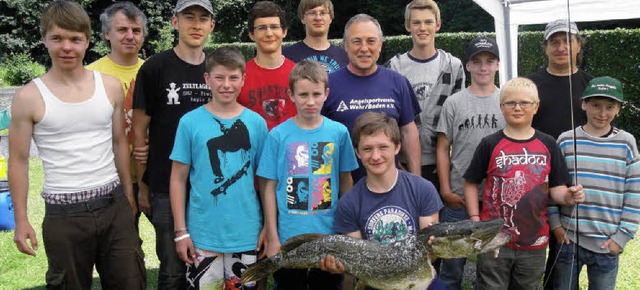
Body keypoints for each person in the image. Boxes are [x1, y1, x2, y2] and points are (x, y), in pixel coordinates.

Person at [8, 1, 145, 289]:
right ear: (45, 39)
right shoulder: (28, 97)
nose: (66, 47)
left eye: (75, 39)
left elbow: (120, 142)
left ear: (87, 40)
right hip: (64, 215)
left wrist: (128, 195)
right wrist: (21, 220)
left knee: (131, 282)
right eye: (57, 38)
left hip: (113, 205)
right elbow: (18, 161)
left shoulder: (109, 87)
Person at [463, 77, 586, 290]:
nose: (517, 108)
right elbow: (470, 182)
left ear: (536, 106)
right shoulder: (490, 143)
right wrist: (475, 219)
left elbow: (556, 189)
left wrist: (568, 196)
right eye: (510, 103)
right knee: (490, 286)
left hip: (534, 240)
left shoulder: (548, 143)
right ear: (501, 107)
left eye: (524, 103)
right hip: (493, 238)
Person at [131, 0, 215, 288]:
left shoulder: (217, 68)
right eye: (188, 17)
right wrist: (143, 185)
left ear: (211, 26)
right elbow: (139, 130)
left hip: (209, 185)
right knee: (172, 269)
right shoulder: (155, 67)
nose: (196, 24)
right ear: (174, 22)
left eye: (203, 19)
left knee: (208, 264)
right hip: (165, 184)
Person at [169, 46, 268, 289]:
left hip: (246, 232)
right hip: (203, 233)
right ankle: (219, 174)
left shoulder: (256, 123)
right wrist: (181, 231)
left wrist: (268, 226)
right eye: (219, 77)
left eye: (233, 77)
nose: (226, 84)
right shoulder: (190, 122)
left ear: (243, 79)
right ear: (207, 79)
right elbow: (178, 179)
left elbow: (266, 180)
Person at [257, 60, 359, 289]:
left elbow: (346, 182)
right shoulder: (278, 135)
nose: (310, 101)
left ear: (326, 93)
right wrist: (272, 236)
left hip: (328, 237)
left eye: (316, 94)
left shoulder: (338, 133)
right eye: (303, 95)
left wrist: (346, 230)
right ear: (291, 95)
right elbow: (269, 187)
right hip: (288, 238)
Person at [324, 111, 444, 290]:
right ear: (357, 152)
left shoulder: (423, 189)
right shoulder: (349, 202)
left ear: (397, 147)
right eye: (367, 149)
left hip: (420, 280)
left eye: (383, 147)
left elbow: (430, 252)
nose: (375, 156)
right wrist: (342, 266)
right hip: (376, 282)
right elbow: (356, 259)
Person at [552, 76, 640, 290]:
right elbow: (552, 183)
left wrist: (622, 236)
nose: (602, 113)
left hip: (606, 243)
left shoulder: (626, 143)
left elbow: (635, 192)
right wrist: (555, 223)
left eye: (610, 107)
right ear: (584, 104)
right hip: (568, 240)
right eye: (595, 106)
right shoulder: (565, 140)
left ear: (619, 108)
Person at [434, 35, 505, 290]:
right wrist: (445, 190)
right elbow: (442, 147)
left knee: (491, 268)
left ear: (497, 64)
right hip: (459, 196)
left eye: (489, 61)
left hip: (496, 198)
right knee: (452, 267)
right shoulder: (455, 102)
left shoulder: (507, 101)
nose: (483, 67)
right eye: (477, 61)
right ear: (468, 66)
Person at [528, 19, 593, 289]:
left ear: (579, 45)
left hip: (576, 178)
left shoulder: (590, 85)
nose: (561, 47)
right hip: (536, 176)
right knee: (530, 244)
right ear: (545, 48)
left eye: (568, 40)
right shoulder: (531, 84)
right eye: (554, 41)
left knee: (567, 246)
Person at [321, 14, 421, 182]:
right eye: (357, 41)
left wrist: (416, 180)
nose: (364, 48)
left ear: (380, 45)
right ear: (345, 45)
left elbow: (409, 132)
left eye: (371, 41)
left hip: (389, 186)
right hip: (343, 187)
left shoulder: (397, 82)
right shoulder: (328, 85)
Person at [386, 0, 465, 190]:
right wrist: (394, 160)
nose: (422, 28)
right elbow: (387, 120)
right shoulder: (394, 68)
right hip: (402, 164)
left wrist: (448, 160)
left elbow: (459, 119)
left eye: (428, 22)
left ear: (438, 25)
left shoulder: (453, 66)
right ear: (407, 26)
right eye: (416, 22)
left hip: (440, 164)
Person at [86, 1, 149, 228]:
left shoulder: (153, 71)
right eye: (122, 30)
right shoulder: (90, 76)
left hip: (149, 174)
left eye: (136, 30)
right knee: (122, 249)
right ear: (106, 34)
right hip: (110, 178)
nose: (130, 36)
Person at [238, 1, 296, 131]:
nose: (269, 34)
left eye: (274, 27)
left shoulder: (298, 74)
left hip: (292, 149)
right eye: (262, 28)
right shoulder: (240, 76)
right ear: (251, 34)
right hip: (254, 150)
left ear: (284, 31)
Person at [282, 0, 348, 73]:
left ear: (330, 18)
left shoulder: (345, 57)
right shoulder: (287, 55)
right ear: (302, 18)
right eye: (312, 13)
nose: (318, 18)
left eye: (323, 13)